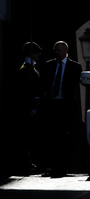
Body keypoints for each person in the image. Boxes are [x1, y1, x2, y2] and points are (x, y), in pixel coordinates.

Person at [40, 41, 82, 177]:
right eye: (55, 50)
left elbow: (78, 87)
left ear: (66, 50)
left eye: (59, 50)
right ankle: (52, 166)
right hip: (51, 105)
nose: (56, 53)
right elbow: (43, 84)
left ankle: (63, 167)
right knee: (51, 136)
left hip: (66, 106)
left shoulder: (75, 67)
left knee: (64, 137)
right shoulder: (49, 65)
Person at [16, 42, 42, 173]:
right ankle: (26, 161)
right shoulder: (26, 69)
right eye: (37, 52)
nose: (39, 54)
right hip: (28, 108)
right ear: (31, 53)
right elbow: (27, 91)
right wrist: (33, 103)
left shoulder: (29, 67)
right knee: (27, 135)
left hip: (29, 107)